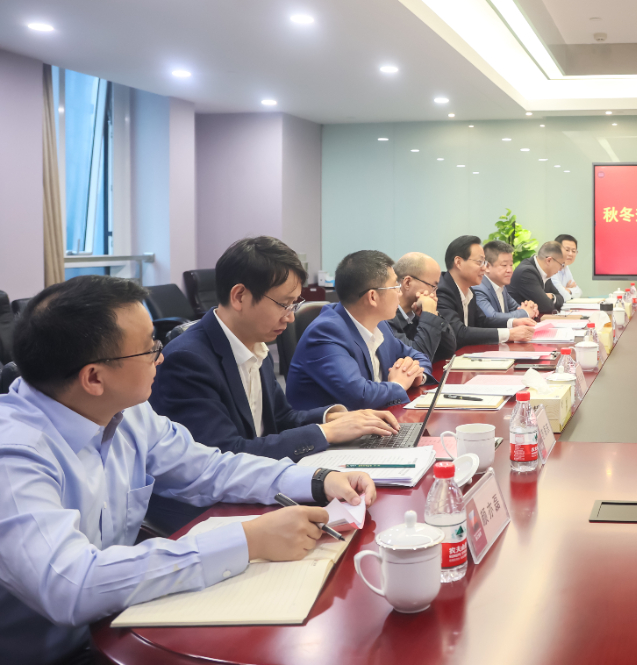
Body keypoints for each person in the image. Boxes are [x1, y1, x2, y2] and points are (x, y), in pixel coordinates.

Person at [0, 275, 375, 665]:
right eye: (149, 348)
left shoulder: (126, 413)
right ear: (94, 378)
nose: (161, 357)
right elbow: (71, 585)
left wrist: (317, 480)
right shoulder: (14, 453)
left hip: (122, 619)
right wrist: (247, 541)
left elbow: (209, 468)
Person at [148, 237, 400, 532]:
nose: (291, 317)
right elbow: (226, 456)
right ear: (240, 296)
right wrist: (325, 433)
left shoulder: (255, 343)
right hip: (204, 514)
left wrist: (331, 417)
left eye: (295, 304)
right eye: (284, 304)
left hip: (255, 490)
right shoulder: (188, 360)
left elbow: (280, 419)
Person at [288, 250, 432, 411]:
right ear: (372, 297)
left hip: (375, 419)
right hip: (332, 426)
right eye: (395, 287)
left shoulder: (380, 324)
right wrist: (398, 384)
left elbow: (418, 356)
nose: (400, 294)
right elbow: (360, 397)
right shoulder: (326, 333)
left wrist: (416, 375)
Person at [437, 235, 536, 348]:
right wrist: (509, 334)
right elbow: (458, 333)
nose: (484, 268)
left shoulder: (469, 291)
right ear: (458, 262)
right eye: (479, 262)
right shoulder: (442, 292)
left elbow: (482, 321)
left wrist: (513, 322)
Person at [387, 252, 457, 363]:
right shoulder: (386, 317)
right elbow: (418, 359)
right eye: (433, 286)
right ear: (408, 282)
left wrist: (432, 315)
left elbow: (447, 350)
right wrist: (429, 316)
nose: (435, 295)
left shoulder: (416, 313)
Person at [473, 240, 541, 322]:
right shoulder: (478, 288)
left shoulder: (502, 287)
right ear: (487, 266)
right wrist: (526, 312)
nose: (509, 270)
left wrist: (530, 308)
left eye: (511, 265)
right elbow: (491, 317)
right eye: (504, 265)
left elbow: (516, 308)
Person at [510, 240, 567, 317]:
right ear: (549, 260)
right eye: (561, 264)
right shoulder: (527, 273)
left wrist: (552, 296)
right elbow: (546, 306)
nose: (561, 269)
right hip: (517, 321)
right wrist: (551, 300)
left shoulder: (544, 272)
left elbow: (561, 299)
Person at [550, 234, 584, 301]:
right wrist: (565, 291)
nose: (570, 254)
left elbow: (579, 292)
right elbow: (563, 295)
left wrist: (567, 290)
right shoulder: (551, 266)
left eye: (573, 251)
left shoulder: (566, 267)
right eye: (567, 250)